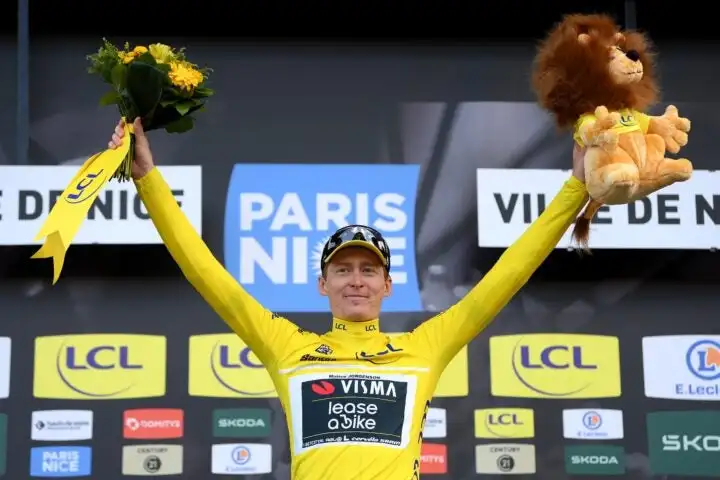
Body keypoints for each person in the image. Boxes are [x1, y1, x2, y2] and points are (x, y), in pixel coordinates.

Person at [110, 118, 589, 479]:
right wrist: (148, 179)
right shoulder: (289, 347)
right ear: (323, 284)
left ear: (388, 285)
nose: (355, 281)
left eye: (368, 270)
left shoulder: (423, 347)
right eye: (342, 270)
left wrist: (577, 189)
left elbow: (509, 273)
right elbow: (205, 272)